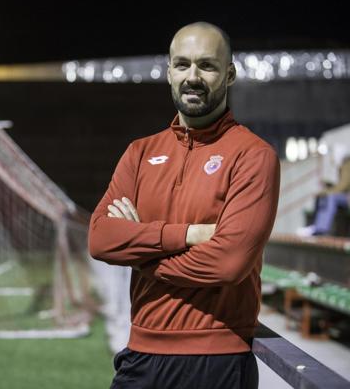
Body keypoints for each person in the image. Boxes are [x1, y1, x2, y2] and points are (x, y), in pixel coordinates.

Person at [88, 21, 280, 389]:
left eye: (207, 65)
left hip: (218, 360)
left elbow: (227, 264)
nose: (193, 76)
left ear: (230, 74)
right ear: (169, 73)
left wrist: (139, 252)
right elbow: (100, 239)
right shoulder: (140, 153)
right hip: (140, 352)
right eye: (182, 64)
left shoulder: (253, 156)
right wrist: (188, 235)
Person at [296, 155, 350, 237]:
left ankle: (321, 229)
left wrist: (326, 191)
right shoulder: (344, 166)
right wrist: (328, 186)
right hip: (345, 197)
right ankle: (316, 226)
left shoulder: (347, 165)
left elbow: (344, 186)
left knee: (330, 196)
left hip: (347, 198)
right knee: (323, 196)